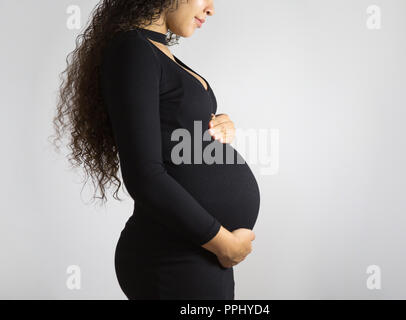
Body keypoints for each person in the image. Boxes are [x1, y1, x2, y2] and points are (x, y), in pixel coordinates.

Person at [53, 0, 260, 300]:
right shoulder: (133, 50)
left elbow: (173, 132)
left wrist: (217, 126)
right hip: (173, 258)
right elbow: (144, 176)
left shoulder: (155, 50)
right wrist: (225, 244)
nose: (211, 9)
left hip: (199, 254)